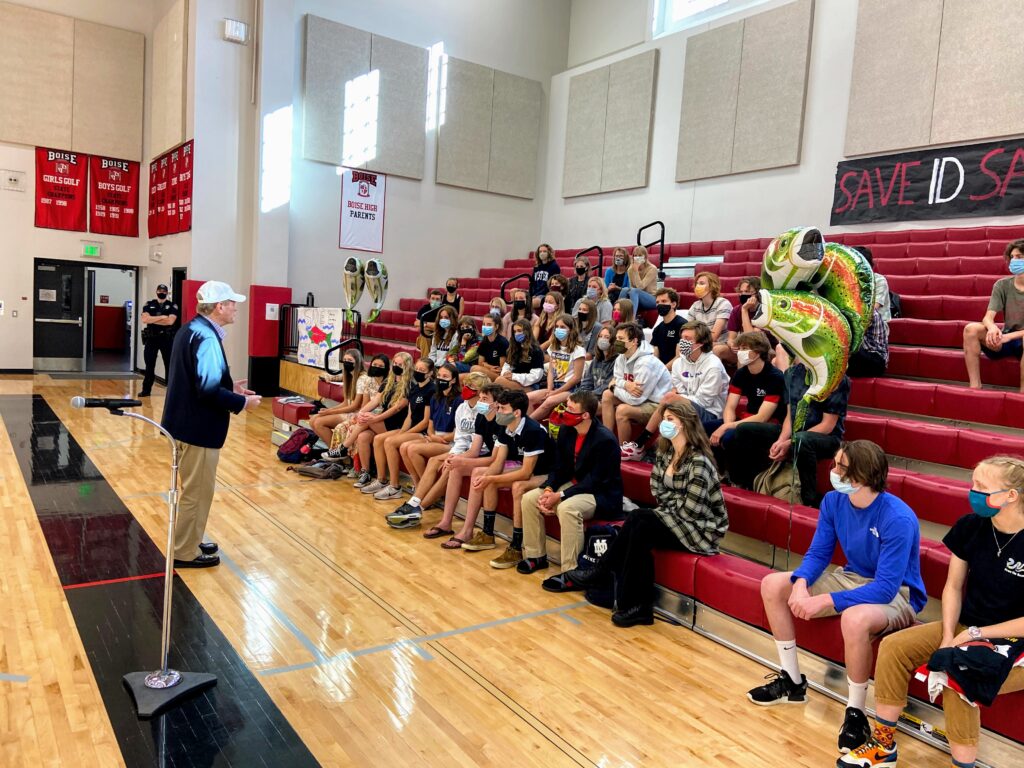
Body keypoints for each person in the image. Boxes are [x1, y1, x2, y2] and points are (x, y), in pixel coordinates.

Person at [840, 455, 1024, 768]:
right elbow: (952, 587)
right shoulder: (970, 526)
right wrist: (949, 635)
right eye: (973, 484)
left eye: (981, 486)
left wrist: (974, 635)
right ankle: (883, 747)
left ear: (1010, 496)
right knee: (894, 647)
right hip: (967, 626)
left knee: (959, 674)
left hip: (1013, 638)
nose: (972, 492)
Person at [747, 441, 926, 755]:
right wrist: (801, 583)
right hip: (853, 576)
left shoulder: (898, 517)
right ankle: (791, 681)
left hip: (898, 593)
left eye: (841, 467)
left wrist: (825, 600)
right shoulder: (833, 501)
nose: (833, 472)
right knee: (774, 585)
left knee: (855, 619)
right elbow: (818, 553)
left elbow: (885, 588)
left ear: (861, 476)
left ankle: (856, 712)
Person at [567, 401, 728, 627]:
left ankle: (603, 572)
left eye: (670, 419)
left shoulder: (699, 461)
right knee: (639, 533)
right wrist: (673, 503)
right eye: (664, 418)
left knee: (640, 520)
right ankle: (638, 607)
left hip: (700, 530)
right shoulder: (664, 452)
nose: (664, 423)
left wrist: (670, 505)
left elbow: (692, 511)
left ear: (684, 424)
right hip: (674, 519)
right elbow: (657, 492)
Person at [161, 281, 260, 568]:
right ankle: (184, 551)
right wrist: (241, 403)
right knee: (197, 492)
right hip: (198, 429)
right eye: (231, 304)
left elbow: (200, 381)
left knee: (192, 489)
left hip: (181, 424)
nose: (235, 309)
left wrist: (231, 387)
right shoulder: (206, 338)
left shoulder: (190, 330)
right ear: (218, 307)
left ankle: (189, 538)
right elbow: (207, 389)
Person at [518, 391, 623, 589]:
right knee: (530, 499)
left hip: (600, 493)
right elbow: (560, 467)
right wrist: (549, 488)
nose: (564, 412)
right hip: (574, 485)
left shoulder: (605, 440)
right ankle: (536, 556)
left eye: (571, 409)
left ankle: (572, 572)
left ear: (585, 415)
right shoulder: (567, 430)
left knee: (567, 508)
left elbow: (594, 481)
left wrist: (560, 496)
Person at [446, 390, 555, 559]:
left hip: (547, 473)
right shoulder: (506, 426)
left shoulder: (533, 430)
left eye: (502, 408)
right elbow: (497, 463)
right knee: (487, 479)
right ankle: (487, 534)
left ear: (516, 412)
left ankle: (516, 546)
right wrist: (486, 477)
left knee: (518, 486)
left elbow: (526, 473)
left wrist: (490, 478)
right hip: (528, 469)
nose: (499, 412)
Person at [728, 360, 851, 508]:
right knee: (745, 430)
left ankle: (809, 501)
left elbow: (827, 425)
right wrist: (781, 440)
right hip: (794, 432)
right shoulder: (791, 373)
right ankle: (746, 485)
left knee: (801, 440)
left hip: (827, 438)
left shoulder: (836, 377)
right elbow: (789, 416)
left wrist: (790, 442)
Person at [387, 373, 490, 531]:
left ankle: (419, 508)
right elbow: (461, 437)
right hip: (462, 448)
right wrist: (454, 453)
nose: (466, 389)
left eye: (471, 387)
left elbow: (479, 446)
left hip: (481, 452)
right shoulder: (462, 407)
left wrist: (456, 457)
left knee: (450, 467)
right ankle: (414, 503)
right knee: (435, 460)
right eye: (466, 385)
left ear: (480, 392)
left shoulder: (484, 411)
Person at [620, 320, 728, 460]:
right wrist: (679, 398)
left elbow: (704, 401)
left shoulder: (713, 366)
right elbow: (679, 390)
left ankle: (641, 443)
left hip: (711, 413)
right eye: (682, 338)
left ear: (701, 343)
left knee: (670, 399)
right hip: (686, 406)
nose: (682, 342)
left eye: (688, 339)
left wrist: (679, 398)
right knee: (671, 404)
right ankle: (658, 452)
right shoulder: (678, 363)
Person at [430, 383, 503, 543]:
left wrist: (460, 460)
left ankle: (468, 530)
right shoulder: (481, 417)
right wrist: (457, 457)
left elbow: (495, 459)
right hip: (491, 458)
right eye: (480, 398)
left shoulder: (502, 422)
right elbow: (474, 451)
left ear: (497, 403)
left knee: (473, 471)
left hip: (505, 461)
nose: (480, 402)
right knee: (455, 468)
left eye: (485, 399)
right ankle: (446, 522)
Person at [362, 357, 436, 500]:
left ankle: (395, 486)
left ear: (429, 373)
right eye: (417, 369)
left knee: (390, 442)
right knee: (378, 439)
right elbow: (409, 416)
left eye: (422, 370)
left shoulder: (431, 390)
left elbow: (425, 421)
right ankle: (381, 479)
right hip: (410, 429)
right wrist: (402, 432)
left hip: (421, 431)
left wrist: (405, 434)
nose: (418, 372)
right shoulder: (415, 388)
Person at [708, 332, 785, 466]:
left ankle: (737, 477)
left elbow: (762, 417)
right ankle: (717, 471)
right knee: (704, 427)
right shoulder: (741, 373)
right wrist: (727, 425)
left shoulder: (775, 377)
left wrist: (728, 427)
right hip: (745, 419)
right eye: (740, 348)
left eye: (745, 348)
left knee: (730, 436)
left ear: (758, 351)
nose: (740, 352)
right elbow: (730, 407)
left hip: (769, 423)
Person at [963, 239, 1024, 392]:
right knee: (971, 329)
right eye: (1013, 257)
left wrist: (1009, 337)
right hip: (1008, 337)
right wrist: (991, 328)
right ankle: (975, 388)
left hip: (1018, 338)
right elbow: (988, 317)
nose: (1015, 260)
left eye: (1020, 257)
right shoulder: (1002, 285)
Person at [601, 322, 673, 443]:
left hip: (656, 404)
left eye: (621, 339)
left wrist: (614, 387)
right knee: (606, 395)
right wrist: (626, 385)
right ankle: (607, 441)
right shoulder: (621, 357)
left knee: (622, 410)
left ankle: (623, 448)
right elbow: (617, 379)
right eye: (616, 338)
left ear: (634, 341)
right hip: (640, 398)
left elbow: (635, 399)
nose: (616, 342)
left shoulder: (646, 362)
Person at [349, 352, 413, 487]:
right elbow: (376, 401)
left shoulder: (409, 385)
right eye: (394, 363)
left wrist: (374, 418)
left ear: (407, 366)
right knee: (363, 437)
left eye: (400, 364)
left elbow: (396, 409)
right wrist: (360, 413)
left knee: (367, 420)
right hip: (383, 421)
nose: (396, 366)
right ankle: (366, 473)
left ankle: (344, 446)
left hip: (396, 424)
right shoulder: (389, 381)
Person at [396, 362, 461, 488]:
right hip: (435, 438)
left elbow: (458, 432)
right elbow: (430, 424)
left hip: (450, 442)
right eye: (440, 376)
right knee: (404, 447)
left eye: (445, 377)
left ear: (453, 381)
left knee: (412, 449)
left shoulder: (459, 400)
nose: (441, 379)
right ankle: (418, 483)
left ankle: (426, 487)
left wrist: (439, 438)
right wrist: (432, 436)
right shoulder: (435, 397)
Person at [321, 353, 388, 463]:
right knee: (341, 427)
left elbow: (358, 405)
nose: (377, 368)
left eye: (381, 366)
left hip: (380, 418)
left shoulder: (388, 383)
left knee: (352, 428)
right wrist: (360, 414)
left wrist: (360, 415)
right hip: (368, 415)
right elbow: (365, 405)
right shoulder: (369, 380)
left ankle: (350, 459)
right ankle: (343, 460)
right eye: (375, 364)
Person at [528, 314, 586, 421]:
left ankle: (526, 424)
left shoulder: (578, 350)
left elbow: (577, 378)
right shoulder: (554, 347)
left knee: (549, 401)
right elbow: (551, 370)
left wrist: (555, 392)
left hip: (571, 389)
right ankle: (533, 427)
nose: (559, 329)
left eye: (563, 327)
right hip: (554, 385)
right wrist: (550, 389)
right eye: (557, 327)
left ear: (571, 329)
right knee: (528, 398)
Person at [309, 348, 367, 443]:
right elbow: (345, 403)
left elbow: (354, 406)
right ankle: (334, 449)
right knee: (313, 420)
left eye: (350, 360)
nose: (346, 363)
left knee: (319, 422)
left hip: (356, 414)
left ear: (357, 362)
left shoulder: (362, 378)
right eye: (345, 360)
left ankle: (335, 452)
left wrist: (330, 412)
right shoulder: (348, 376)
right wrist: (329, 410)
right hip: (349, 411)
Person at [139, 283, 179, 397]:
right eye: (160, 291)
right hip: (151, 339)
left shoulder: (172, 305)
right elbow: (145, 319)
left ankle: (171, 391)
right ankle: (146, 390)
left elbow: (170, 321)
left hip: (166, 339)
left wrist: (152, 319)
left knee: (169, 365)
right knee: (149, 365)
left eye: (164, 291)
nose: (162, 293)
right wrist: (162, 317)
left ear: (167, 293)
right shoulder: (149, 304)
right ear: (156, 291)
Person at [714, 276, 761, 366]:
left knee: (743, 354)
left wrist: (744, 310)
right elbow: (731, 338)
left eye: (747, 292)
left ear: (757, 293)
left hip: (762, 350)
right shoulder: (736, 310)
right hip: (743, 348)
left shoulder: (764, 310)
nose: (743, 294)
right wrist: (732, 344)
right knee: (717, 349)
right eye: (741, 292)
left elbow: (751, 338)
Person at [496, 319, 545, 391]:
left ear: (527, 331)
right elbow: (507, 365)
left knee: (499, 381)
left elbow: (536, 376)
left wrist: (514, 376)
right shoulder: (514, 348)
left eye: (519, 331)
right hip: (514, 380)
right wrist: (505, 373)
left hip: (531, 385)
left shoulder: (536, 350)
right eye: (515, 331)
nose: (516, 334)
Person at [689, 271, 733, 343]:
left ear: (712, 286)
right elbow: (688, 329)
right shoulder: (695, 305)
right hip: (701, 343)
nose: (697, 286)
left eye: (702, 283)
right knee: (680, 346)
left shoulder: (723, 303)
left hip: (721, 343)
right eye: (697, 283)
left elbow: (714, 336)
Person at [846, 308, 889, 378]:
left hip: (876, 359)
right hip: (859, 356)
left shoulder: (869, 312)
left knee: (849, 347)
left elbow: (854, 341)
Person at [856, 247, 891, 324]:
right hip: (857, 321)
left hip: (877, 324)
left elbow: (873, 309)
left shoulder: (879, 280)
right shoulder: (849, 279)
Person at [650, 288, 685, 365]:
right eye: (657, 302)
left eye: (664, 301)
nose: (659, 304)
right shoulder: (657, 329)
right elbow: (655, 356)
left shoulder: (682, 325)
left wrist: (662, 371)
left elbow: (679, 357)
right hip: (661, 370)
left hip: (676, 371)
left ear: (673, 304)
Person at [580, 325, 617, 396]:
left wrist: (589, 395)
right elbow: (587, 381)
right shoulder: (596, 360)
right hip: (590, 397)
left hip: (602, 397)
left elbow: (606, 386)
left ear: (613, 340)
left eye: (607, 337)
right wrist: (582, 394)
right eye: (600, 336)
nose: (602, 339)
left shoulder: (616, 361)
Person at [471, 314, 509, 381]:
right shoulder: (484, 341)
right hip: (488, 370)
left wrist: (485, 365)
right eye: (484, 324)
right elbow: (480, 363)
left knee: (474, 369)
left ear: (496, 326)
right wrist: (489, 367)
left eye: (489, 324)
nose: (485, 327)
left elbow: (501, 368)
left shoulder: (502, 342)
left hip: (499, 375)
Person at [620, 245, 658, 312]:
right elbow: (631, 287)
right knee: (625, 290)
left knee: (635, 291)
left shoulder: (652, 269)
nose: (637, 257)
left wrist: (636, 271)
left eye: (640, 255)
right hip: (636, 297)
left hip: (651, 298)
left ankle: (631, 319)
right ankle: (619, 315)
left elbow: (641, 287)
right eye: (635, 255)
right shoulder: (630, 269)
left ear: (645, 257)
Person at [415, 288, 445, 357]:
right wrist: (431, 325)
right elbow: (416, 323)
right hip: (427, 333)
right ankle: (426, 361)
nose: (434, 301)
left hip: (440, 332)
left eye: (437, 299)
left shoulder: (444, 309)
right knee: (424, 334)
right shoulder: (424, 309)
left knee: (426, 332)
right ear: (429, 299)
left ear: (441, 300)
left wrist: (425, 324)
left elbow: (440, 325)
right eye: (433, 298)